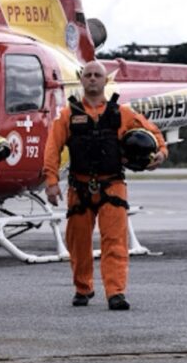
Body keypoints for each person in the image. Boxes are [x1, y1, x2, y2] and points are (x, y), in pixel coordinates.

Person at [43, 60, 167, 310]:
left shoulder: (121, 113)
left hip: (112, 186)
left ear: (105, 80)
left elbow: (153, 133)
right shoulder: (68, 115)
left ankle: (116, 292)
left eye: (96, 75)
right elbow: (52, 148)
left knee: (115, 242)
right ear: (81, 79)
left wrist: (161, 153)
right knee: (78, 242)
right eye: (87, 74)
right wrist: (51, 181)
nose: (92, 79)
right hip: (79, 187)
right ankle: (83, 288)